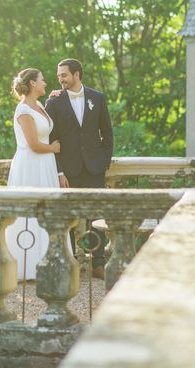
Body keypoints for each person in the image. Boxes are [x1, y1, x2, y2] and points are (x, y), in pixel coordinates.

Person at [45, 58, 113, 279]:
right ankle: (71, 263)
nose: (60, 79)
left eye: (64, 75)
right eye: (58, 76)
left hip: (94, 167)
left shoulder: (98, 98)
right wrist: (60, 172)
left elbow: (107, 133)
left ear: (76, 74)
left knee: (97, 216)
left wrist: (104, 162)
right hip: (69, 170)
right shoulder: (53, 103)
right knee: (69, 218)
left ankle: (98, 263)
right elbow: (51, 140)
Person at [5, 68, 61, 281]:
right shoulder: (23, 111)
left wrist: (58, 96)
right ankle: (27, 267)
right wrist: (54, 149)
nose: (45, 83)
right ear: (32, 84)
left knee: (46, 211)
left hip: (45, 164)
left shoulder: (38, 105)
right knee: (29, 213)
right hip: (30, 164)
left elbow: (46, 125)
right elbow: (34, 144)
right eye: (42, 80)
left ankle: (46, 260)